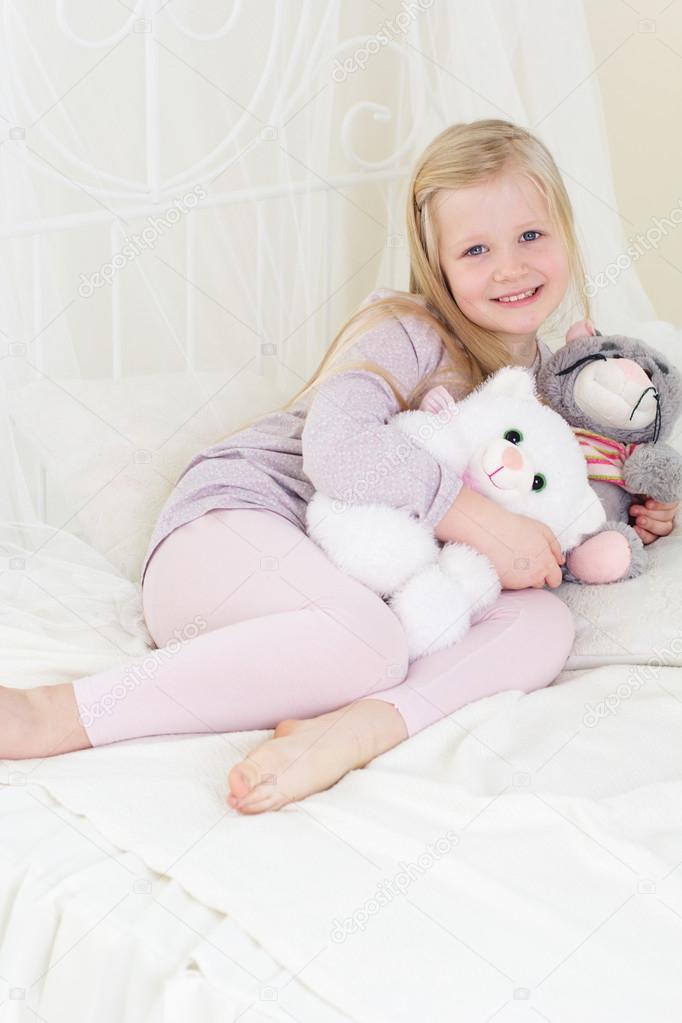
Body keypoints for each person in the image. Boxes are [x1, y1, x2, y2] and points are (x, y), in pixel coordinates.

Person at [3, 119, 677, 816]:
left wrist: (632, 512)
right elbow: (338, 448)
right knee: (370, 642)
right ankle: (55, 714)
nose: (510, 266)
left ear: (566, 232)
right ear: (436, 263)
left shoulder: (555, 388)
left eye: (531, 235)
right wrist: (474, 517)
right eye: (476, 248)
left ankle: (360, 726)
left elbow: (555, 509)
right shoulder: (410, 329)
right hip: (228, 536)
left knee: (546, 625)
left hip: (341, 605)